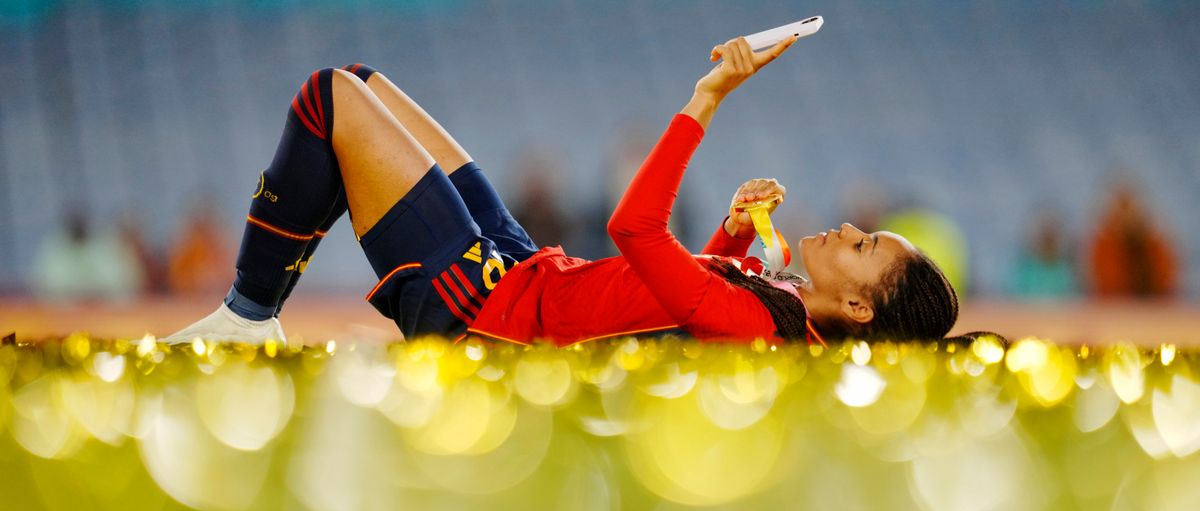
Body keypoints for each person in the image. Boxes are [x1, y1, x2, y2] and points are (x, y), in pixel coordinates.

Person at [164, 38, 958, 347]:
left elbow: (637, 232)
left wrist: (707, 99)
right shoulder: (775, 318)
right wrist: (733, 236)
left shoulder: (762, 326)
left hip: (489, 312)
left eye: (863, 247)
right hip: (525, 275)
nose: (851, 228)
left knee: (329, 97)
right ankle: (251, 314)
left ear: (860, 307)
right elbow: (678, 303)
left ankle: (245, 318)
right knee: (365, 83)